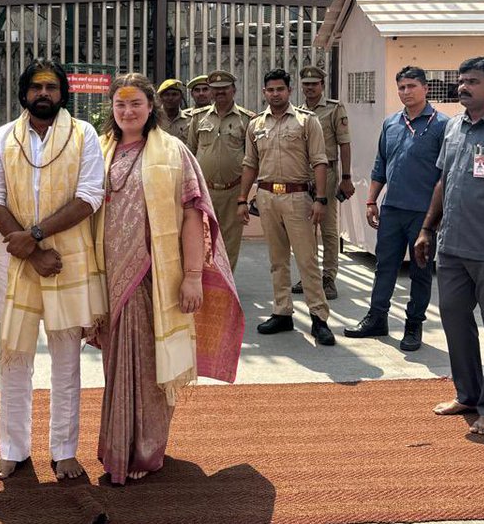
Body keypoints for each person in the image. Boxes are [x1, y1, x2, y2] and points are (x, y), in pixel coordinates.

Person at [92, 74, 242, 485]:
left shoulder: (173, 151)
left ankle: (145, 450)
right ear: (112, 108)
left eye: (136, 103)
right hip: (109, 280)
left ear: (150, 106)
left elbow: (195, 216)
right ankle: (116, 446)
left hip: (154, 278)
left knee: (149, 366)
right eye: (120, 105)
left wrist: (192, 276)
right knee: (116, 366)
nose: (128, 111)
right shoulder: (100, 151)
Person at [0, 59, 106, 481]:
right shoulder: (3, 138)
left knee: (67, 361)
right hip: (19, 264)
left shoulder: (83, 134)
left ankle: (64, 450)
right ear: (24, 93)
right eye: (36, 87)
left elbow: (90, 196)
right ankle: (13, 449)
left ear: (63, 93)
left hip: (67, 262)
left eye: (52, 87)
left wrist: (32, 234)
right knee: (14, 359)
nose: (44, 94)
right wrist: (32, 251)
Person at [415, 56, 484, 436]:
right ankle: (469, 394)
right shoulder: (454, 127)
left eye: (472, 82)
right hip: (453, 248)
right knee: (454, 321)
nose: (463, 88)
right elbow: (444, 181)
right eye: (461, 81)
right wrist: (428, 228)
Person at [346, 66, 447, 351]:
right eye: (401, 87)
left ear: (426, 88)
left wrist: (436, 217)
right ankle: (377, 318)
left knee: (420, 271)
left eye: (411, 86)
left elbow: (445, 175)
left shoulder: (442, 125)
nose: (406, 92)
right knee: (384, 267)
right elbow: (381, 165)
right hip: (392, 210)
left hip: (424, 214)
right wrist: (371, 200)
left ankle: (413, 326)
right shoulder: (391, 123)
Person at [239, 68, 336, 345]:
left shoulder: (307, 122)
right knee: (277, 260)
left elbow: (319, 161)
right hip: (268, 198)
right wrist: (242, 199)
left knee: (307, 260)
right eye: (270, 90)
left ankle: (319, 317)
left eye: (280, 89)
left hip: (298, 198)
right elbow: (249, 163)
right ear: (264, 92)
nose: (275, 94)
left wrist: (320, 199)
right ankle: (282, 312)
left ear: (289, 91)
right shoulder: (256, 124)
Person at [293, 65, 353, 299]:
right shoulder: (296, 112)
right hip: (302, 173)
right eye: (306, 84)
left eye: (314, 84)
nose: (309, 88)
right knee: (304, 229)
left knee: (327, 228)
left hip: (326, 172)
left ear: (322, 86)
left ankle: (329, 278)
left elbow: (344, 144)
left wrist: (346, 177)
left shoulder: (334, 109)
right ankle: (309, 275)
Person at [187, 69, 254, 271]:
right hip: (204, 191)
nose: (220, 92)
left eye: (224, 88)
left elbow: (251, 160)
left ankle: (227, 286)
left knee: (229, 243)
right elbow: (190, 153)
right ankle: (205, 284)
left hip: (233, 191)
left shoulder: (246, 119)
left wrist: (244, 196)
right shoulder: (198, 118)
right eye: (215, 89)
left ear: (233, 90)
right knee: (202, 239)